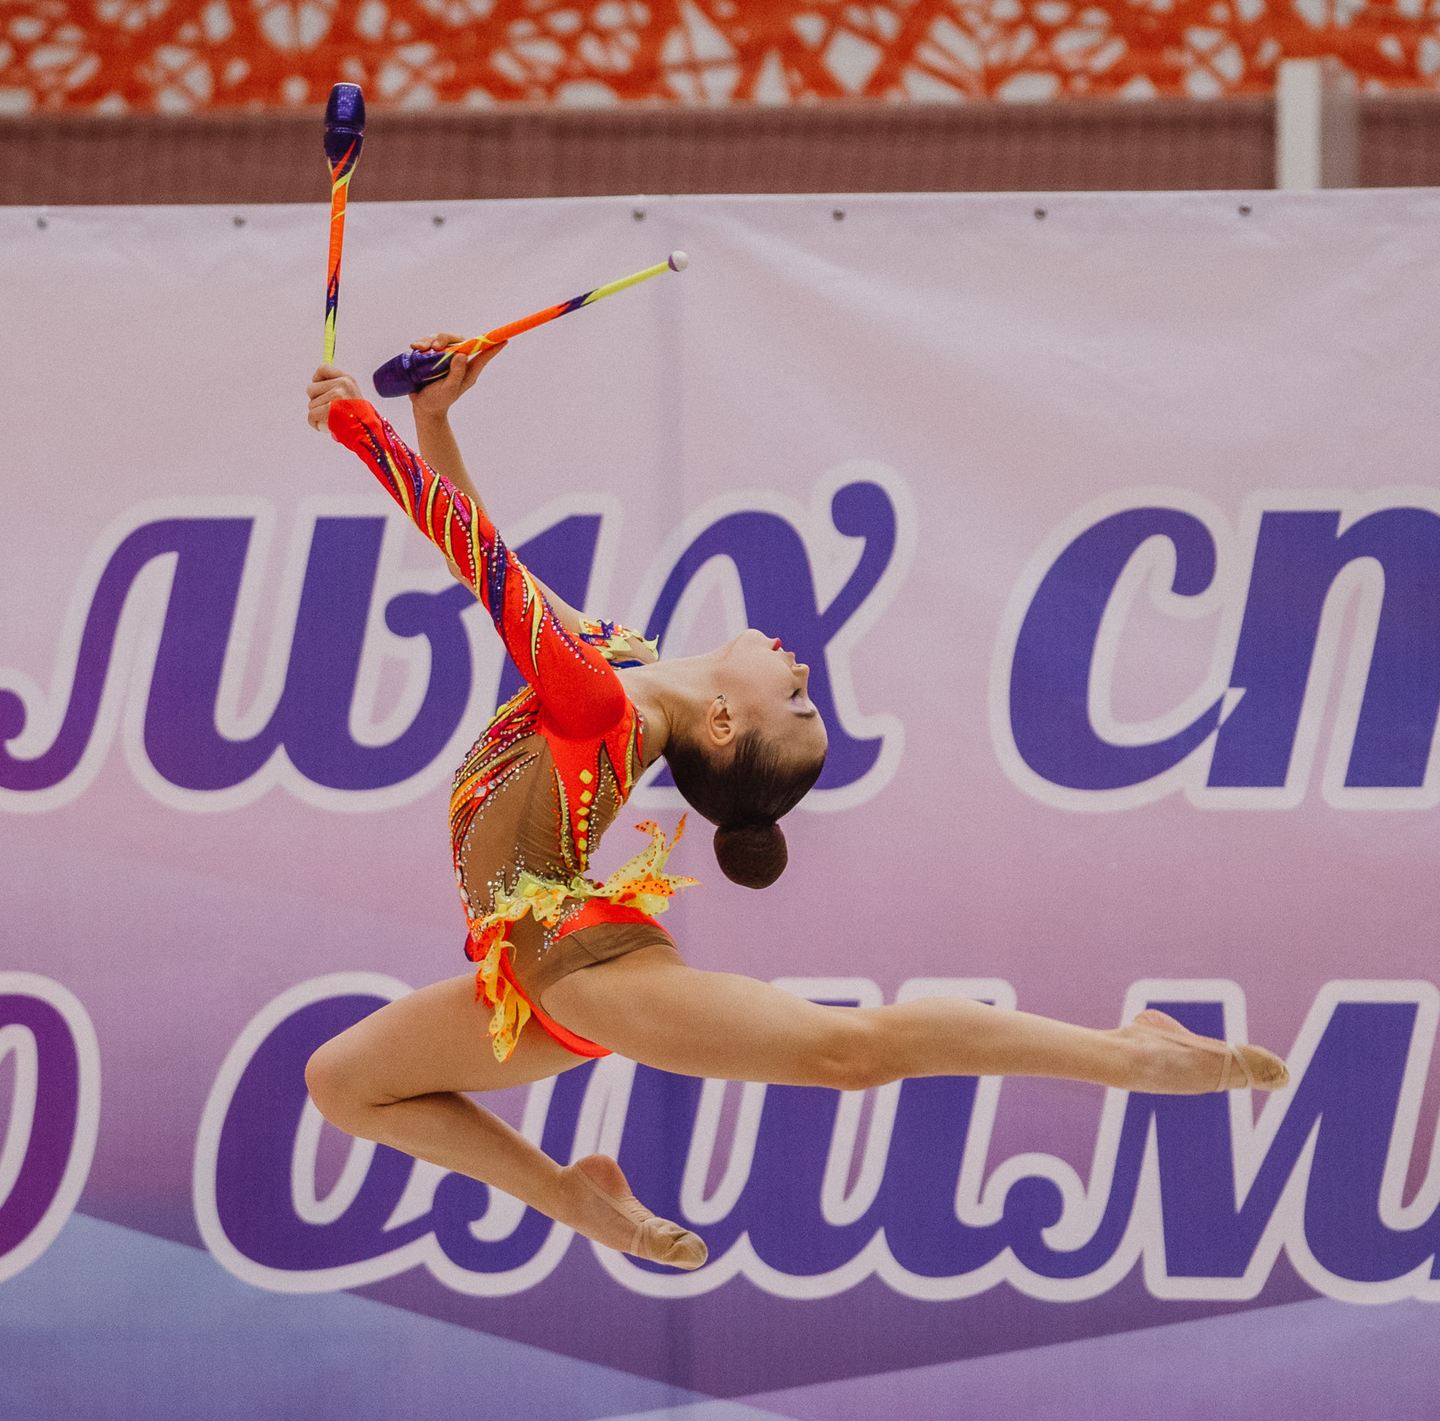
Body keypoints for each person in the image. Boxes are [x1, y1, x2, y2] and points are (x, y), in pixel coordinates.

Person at [301, 337, 1287, 1272]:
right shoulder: (619, 664)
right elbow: (475, 548)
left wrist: (364, 429)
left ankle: (1126, 1054)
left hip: (579, 964)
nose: (801, 665)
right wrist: (432, 420)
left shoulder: (596, 707)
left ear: (724, 725)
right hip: (521, 979)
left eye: (799, 698)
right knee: (344, 1083)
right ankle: (575, 1198)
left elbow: (479, 560)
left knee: (843, 1053)